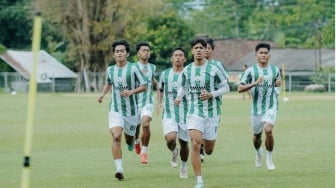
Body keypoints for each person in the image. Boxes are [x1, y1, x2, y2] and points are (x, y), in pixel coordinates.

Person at [174, 38, 230, 188]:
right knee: (195, 143)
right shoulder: (187, 70)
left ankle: (207, 147)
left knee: (209, 149)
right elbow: (183, 87)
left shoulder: (214, 69)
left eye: (201, 48)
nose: (199, 50)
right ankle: (199, 180)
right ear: (192, 51)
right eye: (196, 48)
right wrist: (179, 97)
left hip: (211, 113)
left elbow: (226, 88)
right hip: (194, 112)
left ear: (206, 50)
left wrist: (212, 94)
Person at [97, 39, 147, 180]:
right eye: (117, 51)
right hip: (115, 109)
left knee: (129, 138)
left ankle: (132, 141)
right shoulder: (111, 69)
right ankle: (119, 169)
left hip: (131, 111)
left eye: (122, 51)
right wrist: (102, 94)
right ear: (114, 54)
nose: (120, 53)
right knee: (116, 136)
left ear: (127, 53)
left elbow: (144, 86)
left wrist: (131, 92)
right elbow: (109, 83)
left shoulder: (134, 68)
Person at [237, 42, 281, 171]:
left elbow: (277, 86)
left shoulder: (275, 70)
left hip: (271, 105)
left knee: (268, 130)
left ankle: (269, 157)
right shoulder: (250, 71)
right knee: (257, 136)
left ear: (269, 55)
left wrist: (277, 85)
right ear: (256, 55)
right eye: (261, 53)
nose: (263, 55)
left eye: (266, 53)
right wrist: (254, 83)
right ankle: (258, 152)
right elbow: (239, 88)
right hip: (256, 109)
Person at [157, 47, 189, 179]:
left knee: (184, 143)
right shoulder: (165, 74)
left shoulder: (189, 74)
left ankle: (183, 167)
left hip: (186, 114)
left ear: (184, 59)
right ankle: (174, 151)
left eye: (181, 55)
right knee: (170, 139)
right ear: (172, 58)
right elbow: (160, 89)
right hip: (169, 113)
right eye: (175, 55)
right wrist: (159, 102)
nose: (178, 57)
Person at [199, 37, 230, 163]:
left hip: (213, 105)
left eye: (208, 48)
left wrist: (213, 93)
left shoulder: (217, 65)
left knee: (209, 148)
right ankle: (199, 150)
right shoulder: (195, 65)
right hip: (196, 105)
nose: (205, 50)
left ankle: (204, 148)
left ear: (212, 50)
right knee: (197, 130)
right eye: (203, 48)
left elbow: (225, 84)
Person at [133, 42, 157, 164]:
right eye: (143, 50)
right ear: (138, 53)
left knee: (146, 124)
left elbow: (153, 81)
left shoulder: (152, 67)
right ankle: (136, 140)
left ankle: (144, 152)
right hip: (134, 103)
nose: (146, 52)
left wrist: (161, 87)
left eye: (148, 50)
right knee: (135, 129)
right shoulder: (132, 67)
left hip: (148, 101)